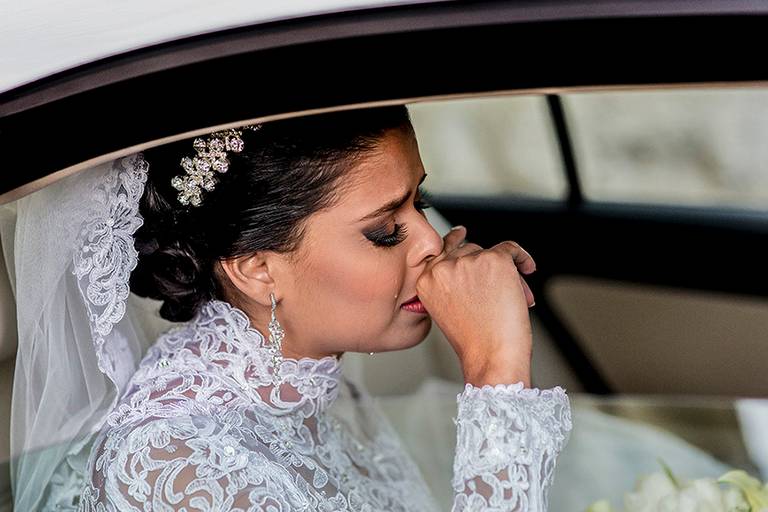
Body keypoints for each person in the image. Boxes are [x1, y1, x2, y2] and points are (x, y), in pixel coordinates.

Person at [9, 105, 571, 511]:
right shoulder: (176, 466)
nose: (431, 241)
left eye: (419, 202)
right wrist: (495, 370)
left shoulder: (308, 383)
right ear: (257, 269)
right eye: (384, 230)